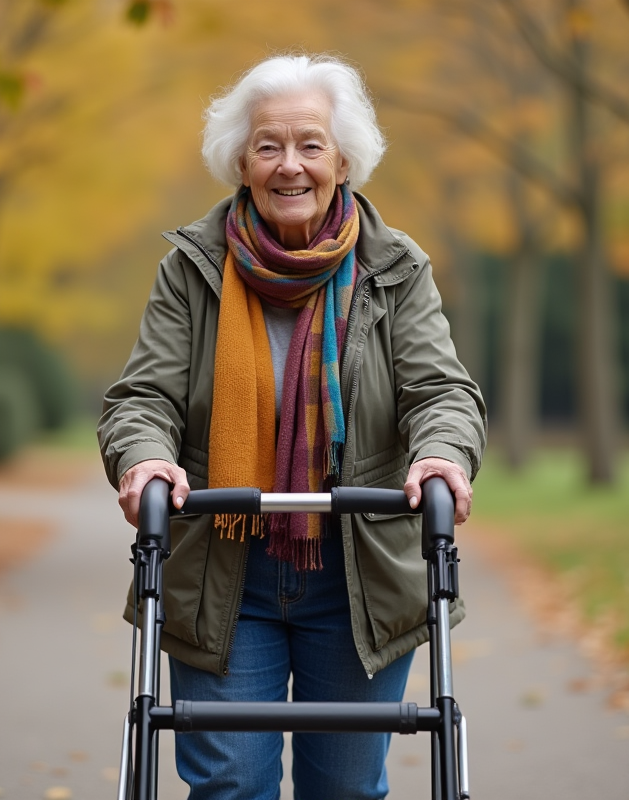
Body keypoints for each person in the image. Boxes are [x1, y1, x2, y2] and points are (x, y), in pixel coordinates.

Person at [98, 53, 487, 800]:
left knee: (344, 790)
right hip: (222, 569)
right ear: (241, 162)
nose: (290, 165)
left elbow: (441, 391)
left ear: (343, 159)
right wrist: (144, 461)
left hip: (358, 574)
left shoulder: (396, 267)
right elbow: (142, 398)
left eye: (310, 144)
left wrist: (441, 454)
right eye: (269, 145)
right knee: (231, 785)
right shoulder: (193, 268)